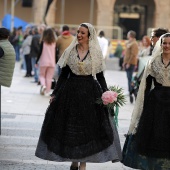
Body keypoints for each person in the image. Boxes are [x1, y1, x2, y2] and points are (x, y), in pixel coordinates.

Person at [35, 23, 122, 170]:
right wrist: (55, 93)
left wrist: (107, 94)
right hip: (70, 93)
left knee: (87, 130)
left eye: (83, 33)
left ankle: (83, 163)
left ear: (89, 36)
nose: (79, 35)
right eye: (79, 32)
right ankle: (74, 160)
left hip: (90, 94)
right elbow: (63, 75)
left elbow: (100, 76)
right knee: (71, 129)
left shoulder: (95, 53)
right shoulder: (70, 51)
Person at [122, 33, 170, 170]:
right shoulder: (153, 62)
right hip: (156, 103)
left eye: (169, 43)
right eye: (164, 43)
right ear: (160, 45)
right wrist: (144, 106)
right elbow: (147, 86)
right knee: (154, 135)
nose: (167, 46)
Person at [36, 28, 57, 97]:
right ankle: (47, 92)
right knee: (49, 77)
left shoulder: (43, 42)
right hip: (52, 62)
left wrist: (36, 61)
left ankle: (43, 85)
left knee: (42, 75)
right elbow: (56, 53)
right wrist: (56, 61)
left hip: (44, 62)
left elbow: (39, 52)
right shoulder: (54, 43)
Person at [123, 30, 138, 94]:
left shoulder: (134, 43)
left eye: (128, 34)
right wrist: (124, 62)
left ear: (130, 35)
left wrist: (128, 63)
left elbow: (133, 54)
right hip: (127, 62)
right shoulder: (129, 43)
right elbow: (127, 54)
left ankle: (131, 90)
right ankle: (130, 90)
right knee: (128, 77)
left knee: (130, 77)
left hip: (131, 63)